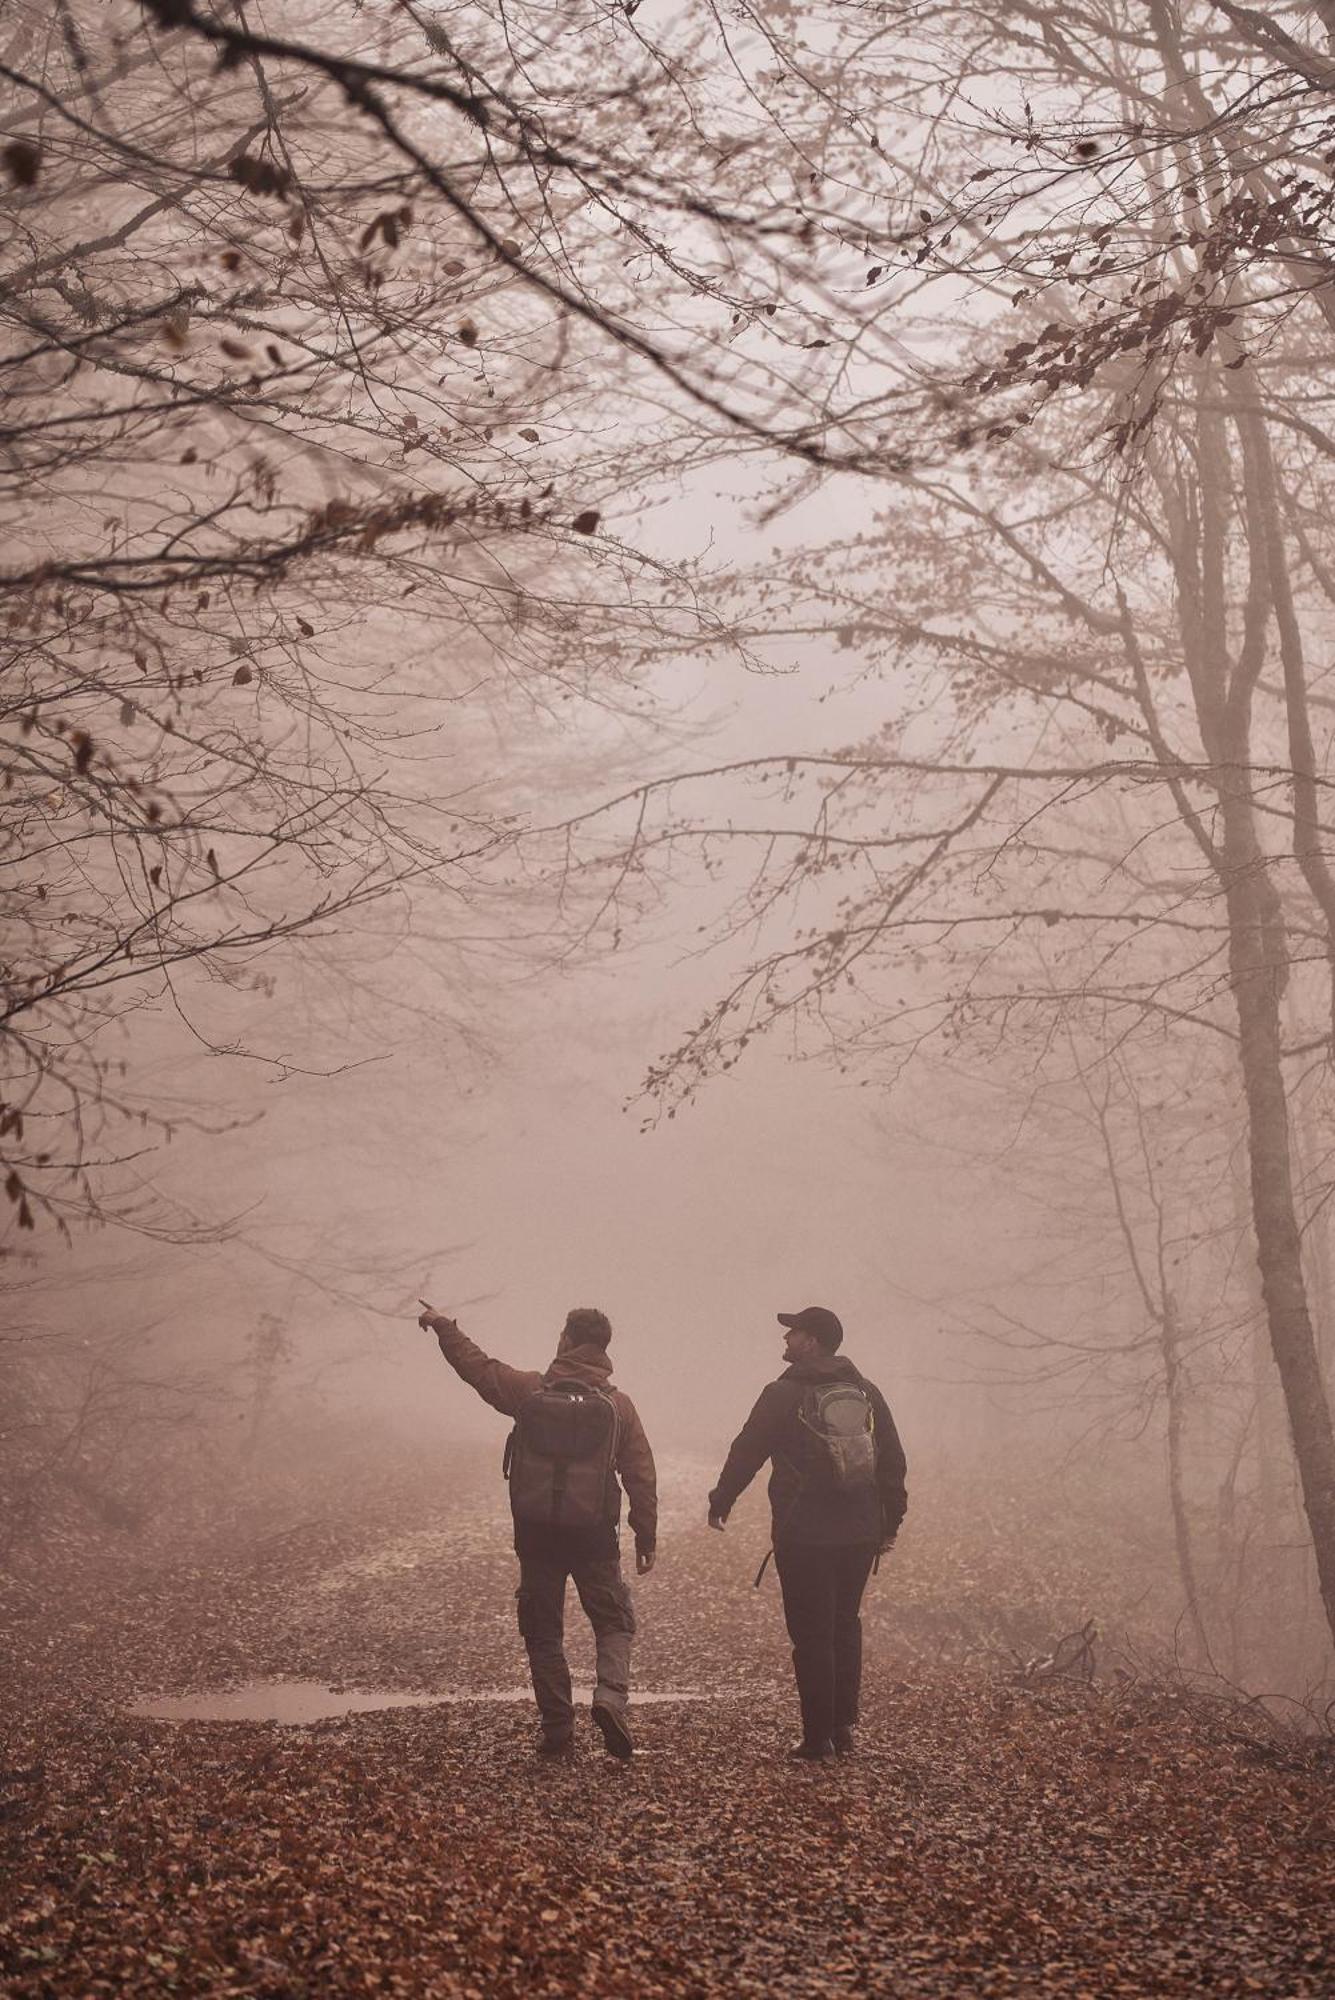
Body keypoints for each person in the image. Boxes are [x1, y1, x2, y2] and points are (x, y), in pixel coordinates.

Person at [417, 1302, 657, 1760]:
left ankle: (558, 1732)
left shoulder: (528, 1391)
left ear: (566, 1340)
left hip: (537, 1534)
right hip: (593, 1537)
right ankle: (609, 1698)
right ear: (603, 1348)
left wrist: (445, 1327)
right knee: (613, 1622)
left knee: (543, 1631)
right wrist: (644, 1536)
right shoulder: (618, 1406)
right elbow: (641, 1474)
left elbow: (478, 1368)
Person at [708, 1305, 907, 1761]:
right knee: (844, 1625)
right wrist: (889, 1523)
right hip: (859, 1533)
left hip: (804, 1535)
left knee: (813, 1634)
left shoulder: (783, 1394)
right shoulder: (867, 1392)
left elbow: (747, 1449)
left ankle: (817, 1738)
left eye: (792, 1333)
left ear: (812, 1341)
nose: (785, 1341)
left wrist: (722, 1500)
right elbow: (892, 1460)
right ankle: (843, 1729)